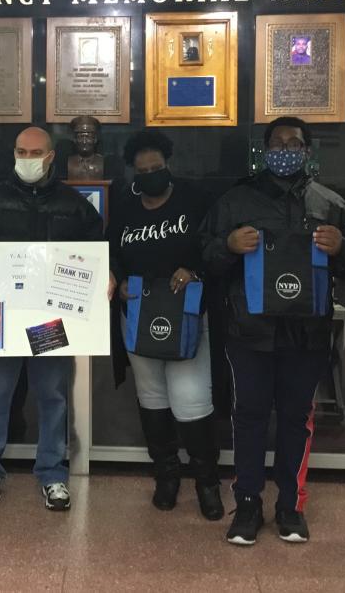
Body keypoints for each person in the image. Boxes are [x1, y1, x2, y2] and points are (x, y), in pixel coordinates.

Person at [201, 116, 345, 546]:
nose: (286, 148)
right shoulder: (235, 201)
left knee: (295, 420)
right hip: (248, 331)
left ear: (308, 150)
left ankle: (291, 506)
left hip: (306, 334)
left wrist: (342, 248)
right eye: (278, 142)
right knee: (248, 418)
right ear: (264, 149)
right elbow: (206, 258)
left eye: (295, 142)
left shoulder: (329, 203)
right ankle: (247, 504)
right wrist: (228, 247)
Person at [0, 126, 103, 513]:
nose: (27, 159)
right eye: (21, 151)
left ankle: (52, 472)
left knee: (52, 396)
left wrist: (108, 272)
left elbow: (96, 252)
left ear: (51, 157)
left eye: (35, 153)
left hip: (49, 320)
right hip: (0, 320)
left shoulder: (74, 205)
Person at [106, 130, 223, 520]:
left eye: (158, 167)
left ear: (168, 164)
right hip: (138, 316)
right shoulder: (124, 207)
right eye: (143, 170)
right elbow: (112, 253)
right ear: (133, 173)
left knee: (191, 399)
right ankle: (166, 475)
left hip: (188, 316)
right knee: (152, 397)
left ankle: (207, 481)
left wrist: (195, 271)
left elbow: (215, 250)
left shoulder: (196, 200)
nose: (152, 174)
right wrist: (118, 280)